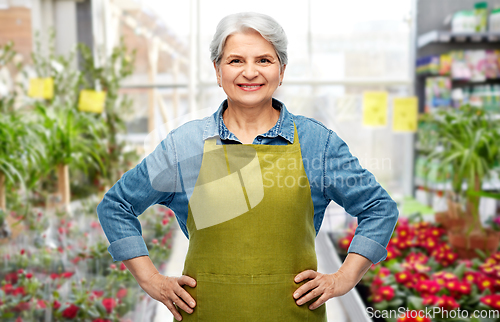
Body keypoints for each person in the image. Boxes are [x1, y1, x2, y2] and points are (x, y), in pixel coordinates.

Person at [97, 12, 398, 322]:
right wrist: (151, 280)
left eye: (264, 60)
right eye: (236, 61)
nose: (250, 72)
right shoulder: (186, 144)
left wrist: (344, 277)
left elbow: (379, 207)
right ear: (217, 70)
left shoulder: (315, 143)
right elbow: (117, 205)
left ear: (282, 71)